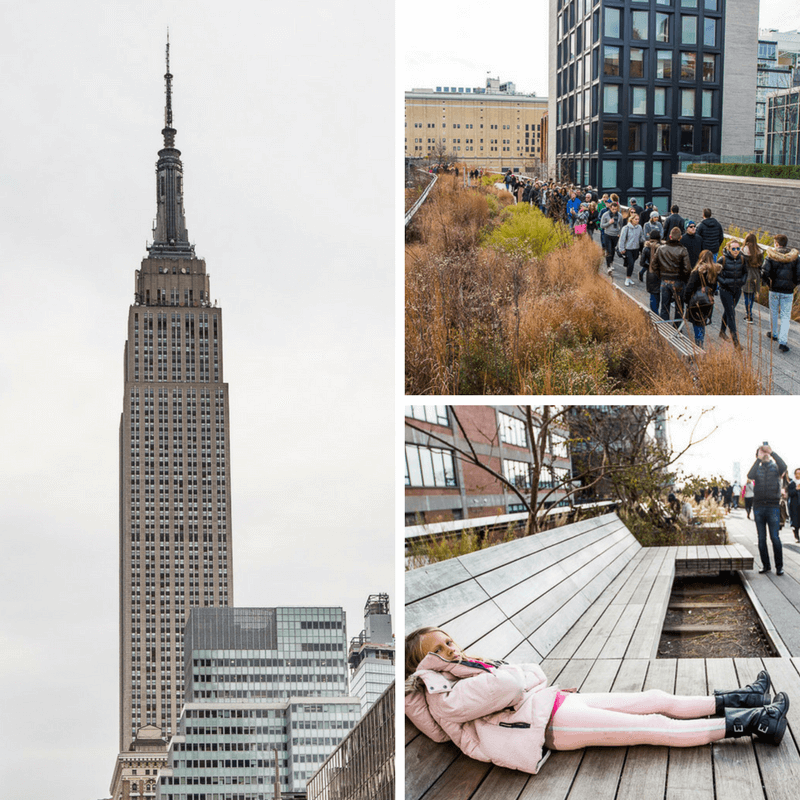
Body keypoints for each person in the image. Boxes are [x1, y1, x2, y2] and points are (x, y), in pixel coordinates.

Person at [405, 627, 788, 777]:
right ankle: (752, 722)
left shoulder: (461, 675)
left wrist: (518, 680)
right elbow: (509, 682)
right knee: (653, 726)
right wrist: (514, 680)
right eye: (437, 650)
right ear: (424, 663)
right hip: (546, 726)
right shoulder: (444, 694)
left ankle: (743, 699)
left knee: (654, 698)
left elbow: (533, 674)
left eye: (449, 641)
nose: (450, 649)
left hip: (551, 703)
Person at [748, 444, 788, 575]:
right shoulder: (757, 469)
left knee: (775, 537)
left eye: (766, 453)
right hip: (758, 507)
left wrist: (772, 452)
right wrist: (759, 458)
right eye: (762, 452)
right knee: (761, 539)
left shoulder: (776, 468)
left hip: (773, 507)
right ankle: (766, 565)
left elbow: (784, 466)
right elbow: (750, 474)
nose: (765, 454)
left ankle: (779, 567)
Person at [762, 234, 800, 353]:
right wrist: (793, 285)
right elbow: (799, 275)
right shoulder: (795, 257)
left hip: (774, 290)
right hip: (788, 292)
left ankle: (773, 334)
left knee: (773, 312)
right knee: (785, 316)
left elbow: (764, 272)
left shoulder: (771, 256)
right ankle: (783, 342)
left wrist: (769, 283)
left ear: (777, 244)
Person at [652, 227, 691, 327]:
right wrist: (683, 279)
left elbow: (654, 265)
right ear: (680, 237)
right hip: (678, 281)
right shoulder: (683, 250)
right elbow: (687, 269)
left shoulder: (661, 248)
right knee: (679, 307)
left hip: (664, 280)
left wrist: (661, 275)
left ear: (670, 236)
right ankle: (677, 327)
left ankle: (664, 327)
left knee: (664, 305)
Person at [682, 250, 721, 348]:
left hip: (697, 301)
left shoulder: (697, 272)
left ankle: (699, 347)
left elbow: (689, 288)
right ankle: (700, 342)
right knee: (702, 322)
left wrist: (686, 300)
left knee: (697, 323)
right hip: (708, 301)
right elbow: (715, 287)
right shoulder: (714, 271)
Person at [717, 240, 747, 350]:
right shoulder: (722, 259)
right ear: (729, 249)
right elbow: (716, 274)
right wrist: (724, 282)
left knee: (729, 310)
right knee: (731, 314)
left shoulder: (742, 259)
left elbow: (745, 272)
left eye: (738, 248)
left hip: (737, 290)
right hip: (725, 290)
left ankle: (722, 332)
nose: (736, 251)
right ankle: (736, 342)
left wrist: (742, 281)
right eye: (733, 248)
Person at [742, 233, 764, 324]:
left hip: (746, 274)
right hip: (756, 275)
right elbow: (762, 265)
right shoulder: (760, 251)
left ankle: (749, 315)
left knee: (747, 295)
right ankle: (750, 311)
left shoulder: (743, 250)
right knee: (752, 295)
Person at [639, 230, 662, 312]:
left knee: (653, 296)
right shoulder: (663, 248)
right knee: (660, 298)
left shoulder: (646, 248)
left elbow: (642, 263)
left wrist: (650, 266)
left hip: (652, 274)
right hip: (663, 274)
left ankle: (655, 318)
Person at [618, 212, 644, 286]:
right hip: (628, 248)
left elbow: (641, 237)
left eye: (638, 219)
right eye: (636, 219)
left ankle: (629, 277)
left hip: (636, 248)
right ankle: (627, 278)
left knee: (631, 263)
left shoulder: (639, 227)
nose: (637, 220)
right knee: (631, 264)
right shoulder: (626, 228)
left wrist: (645, 238)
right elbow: (622, 239)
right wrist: (621, 248)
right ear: (631, 219)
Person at [600, 202, 623, 276]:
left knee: (612, 250)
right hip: (607, 235)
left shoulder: (619, 215)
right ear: (610, 208)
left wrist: (620, 232)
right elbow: (602, 225)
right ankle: (608, 267)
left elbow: (621, 225)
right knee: (608, 251)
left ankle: (611, 262)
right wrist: (609, 223)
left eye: (616, 209)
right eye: (613, 209)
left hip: (616, 235)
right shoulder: (605, 215)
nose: (614, 211)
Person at [787, 468, 800, 543]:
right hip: (794, 505)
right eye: (797, 473)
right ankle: (796, 537)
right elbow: (790, 494)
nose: (798, 475)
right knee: (795, 522)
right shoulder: (792, 483)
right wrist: (796, 489)